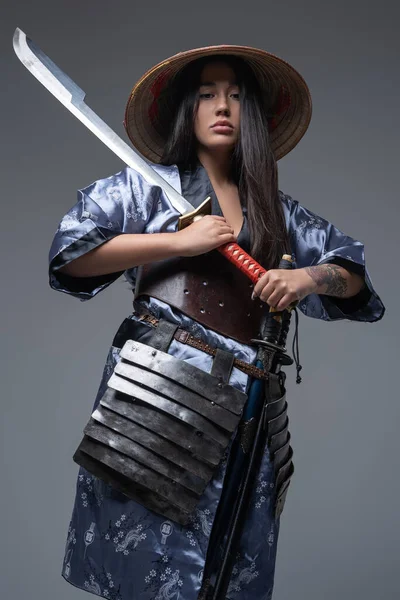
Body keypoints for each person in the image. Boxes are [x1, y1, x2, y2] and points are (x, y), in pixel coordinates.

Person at [48, 45, 385, 600]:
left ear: (251, 112)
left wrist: (306, 279)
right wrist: (176, 241)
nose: (221, 105)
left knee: (228, 568)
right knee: (152, 567)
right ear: (189, 109)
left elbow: (351, 274)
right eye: (207, 94)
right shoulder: (145, 186)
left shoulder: (276, 209)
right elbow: (71, 254)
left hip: (251, 399)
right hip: (161, 390)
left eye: (235, 95)